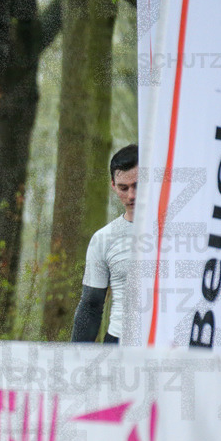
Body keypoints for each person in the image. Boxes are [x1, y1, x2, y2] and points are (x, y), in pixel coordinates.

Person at [70, 144, 138, 344]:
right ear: (113, 185)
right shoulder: (104, 238)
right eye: (123, 188)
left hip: (172, 345)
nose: (131, 195)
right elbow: (91, 305)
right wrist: (75, 356)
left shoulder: (177, 232)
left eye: (138, 185)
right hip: (120, 342)